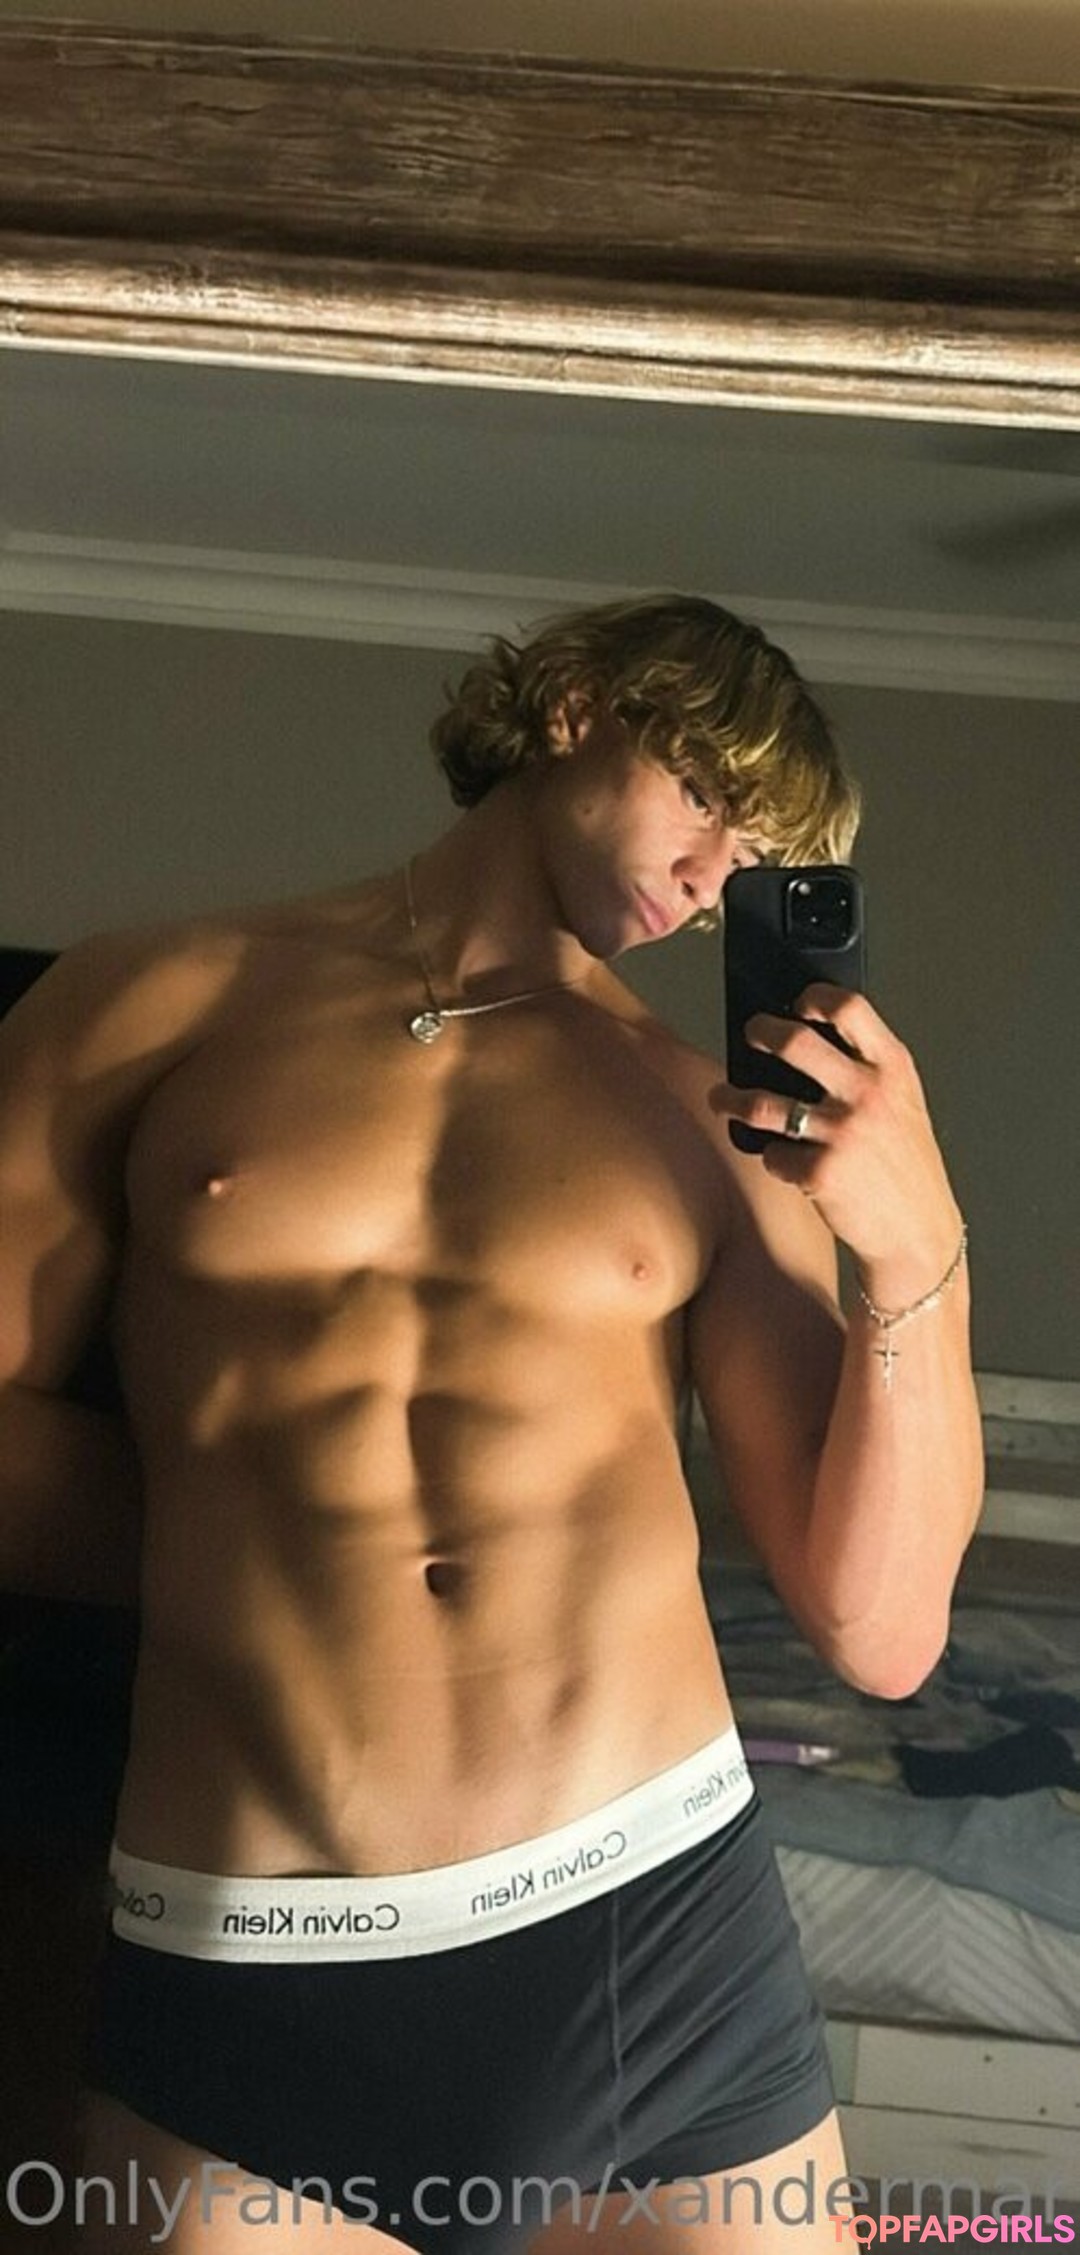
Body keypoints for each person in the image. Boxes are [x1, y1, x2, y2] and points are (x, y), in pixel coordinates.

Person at [0, 594, 982, 2254]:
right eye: (705, 795)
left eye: (755, 857)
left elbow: (881, 1631)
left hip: (655, 1932)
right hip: (253, 1954)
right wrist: (241, 1533)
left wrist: (914, 1241)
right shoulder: (146, 1004)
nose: (711, 876)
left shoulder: (707, 1125)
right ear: (576, 710)